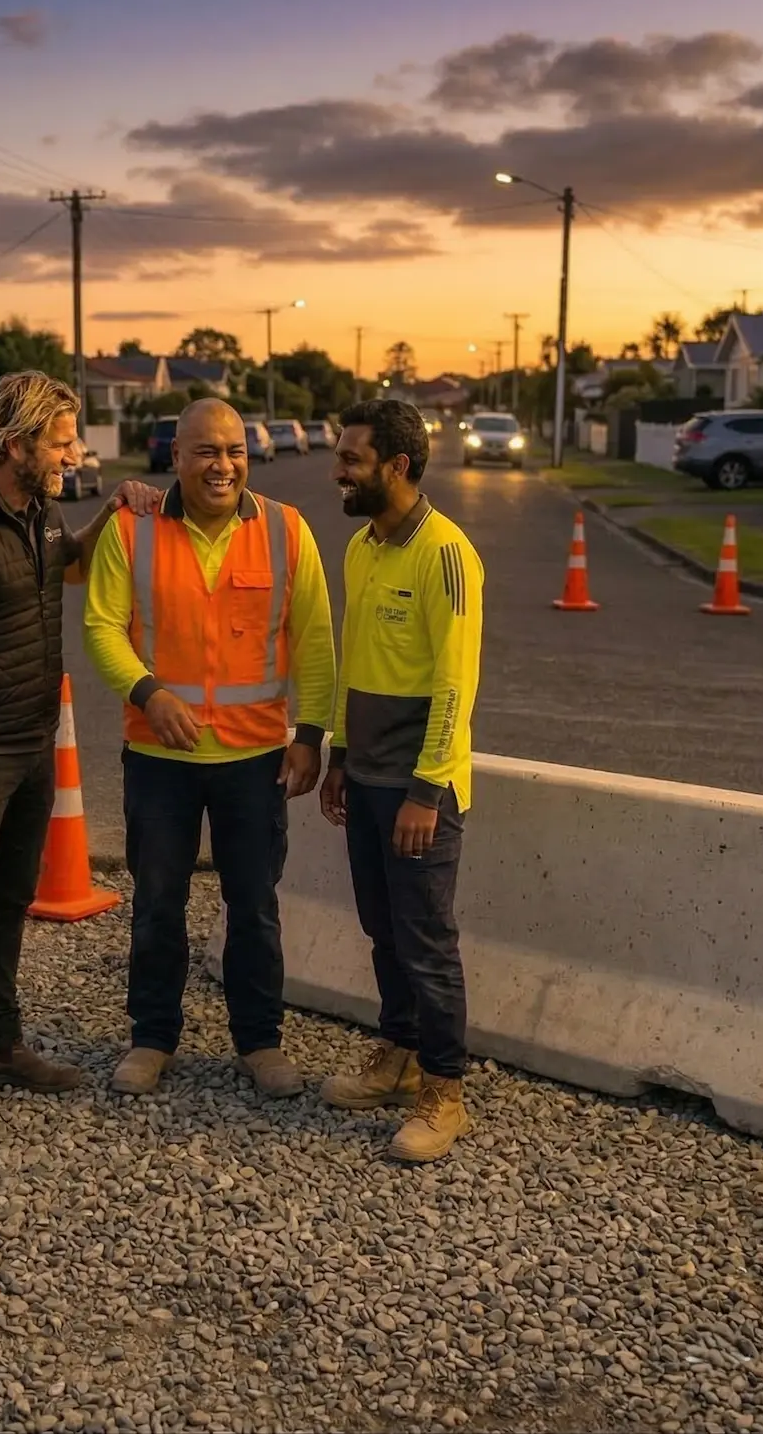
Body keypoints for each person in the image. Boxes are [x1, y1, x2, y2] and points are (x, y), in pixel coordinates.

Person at [0, 371, 159, 1137]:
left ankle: (1, 1047)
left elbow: (65, 568)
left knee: (12, 899)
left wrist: (109, 511)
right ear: (14, 445)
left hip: (32, 736)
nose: (74, 453)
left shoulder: (39, 510)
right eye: (60, 441)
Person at [83, 398, 336, 1098]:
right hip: (160, 760)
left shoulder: (287, 531)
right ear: (176, 457)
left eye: (234, 451)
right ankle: (152, 1038)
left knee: (253, 904)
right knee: (157, 901)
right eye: (206, 451)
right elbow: (102, 626)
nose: (222, 465)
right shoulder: (131, 530)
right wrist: (148, 692)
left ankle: (260, 1043)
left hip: (255, 759)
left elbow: (315, 639)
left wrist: (311, 734)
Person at [319, 399, 484, 1162]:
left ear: (398, 468)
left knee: (426, 941)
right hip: (370, 775)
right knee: (383, 931)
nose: (338, 470)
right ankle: (397, 1053)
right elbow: (355, 661)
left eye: (352, 459)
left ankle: (444, 1090)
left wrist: (426, 790)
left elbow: (455, 684)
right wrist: (341, 756)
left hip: (423, 788)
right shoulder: (361, 547)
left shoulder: (444, 552)